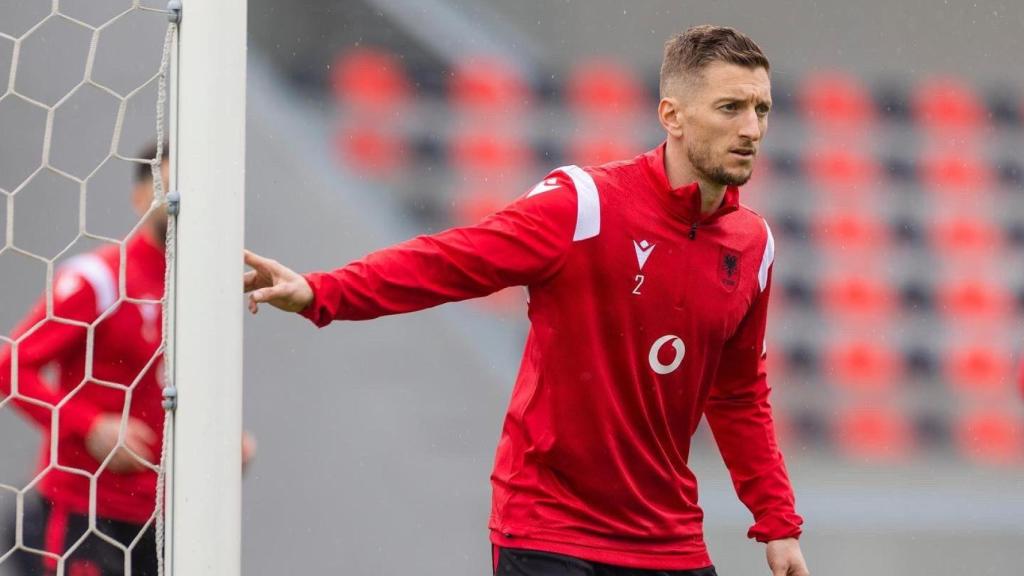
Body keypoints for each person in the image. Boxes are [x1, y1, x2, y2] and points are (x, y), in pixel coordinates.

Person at [245, 25, 808, 576]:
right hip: (550, 529)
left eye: (761, 109)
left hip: (667, 540)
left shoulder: (753, 245)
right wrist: (323, 290)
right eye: (730, 107)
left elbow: (737, 395)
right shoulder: (585, 205)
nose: (752, 128)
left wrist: (777, 521)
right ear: (673, 116)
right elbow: (452, 260)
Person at [0, 144, 254, 576]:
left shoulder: (205, 291)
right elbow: (10, 367)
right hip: (85, 512)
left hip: (166, 519)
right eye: (172, 187)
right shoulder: (97, 280)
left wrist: (221, 441)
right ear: (140, 196)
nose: (182, 200)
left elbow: (166, 392)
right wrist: (90, 425)